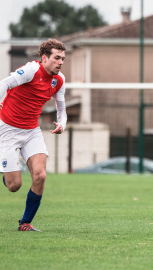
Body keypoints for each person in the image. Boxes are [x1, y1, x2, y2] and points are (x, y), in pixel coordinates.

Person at [0, 39, 67, 231]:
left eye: (62, 58)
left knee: (41, 175)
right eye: (56, 58)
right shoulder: (30, 70)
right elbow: (4, 83)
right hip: (7, 129)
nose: (60, 62)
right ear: (44, 58)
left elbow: (61, 108)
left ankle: (25, 223)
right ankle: (6, 172)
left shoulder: (59, 80)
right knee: (14, 186)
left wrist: (62, 124)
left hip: (31, 131)